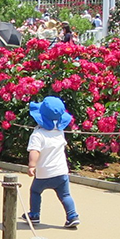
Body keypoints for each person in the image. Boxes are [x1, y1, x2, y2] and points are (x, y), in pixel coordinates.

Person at [24, 96, 80, 229]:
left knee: (35, 191)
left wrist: (32, 165)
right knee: (65, 195)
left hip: (44, 173)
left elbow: (34, 151)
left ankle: (34, 215)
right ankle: (72, 216)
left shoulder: (38, 134)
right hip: (61, 172)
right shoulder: (60, 132)